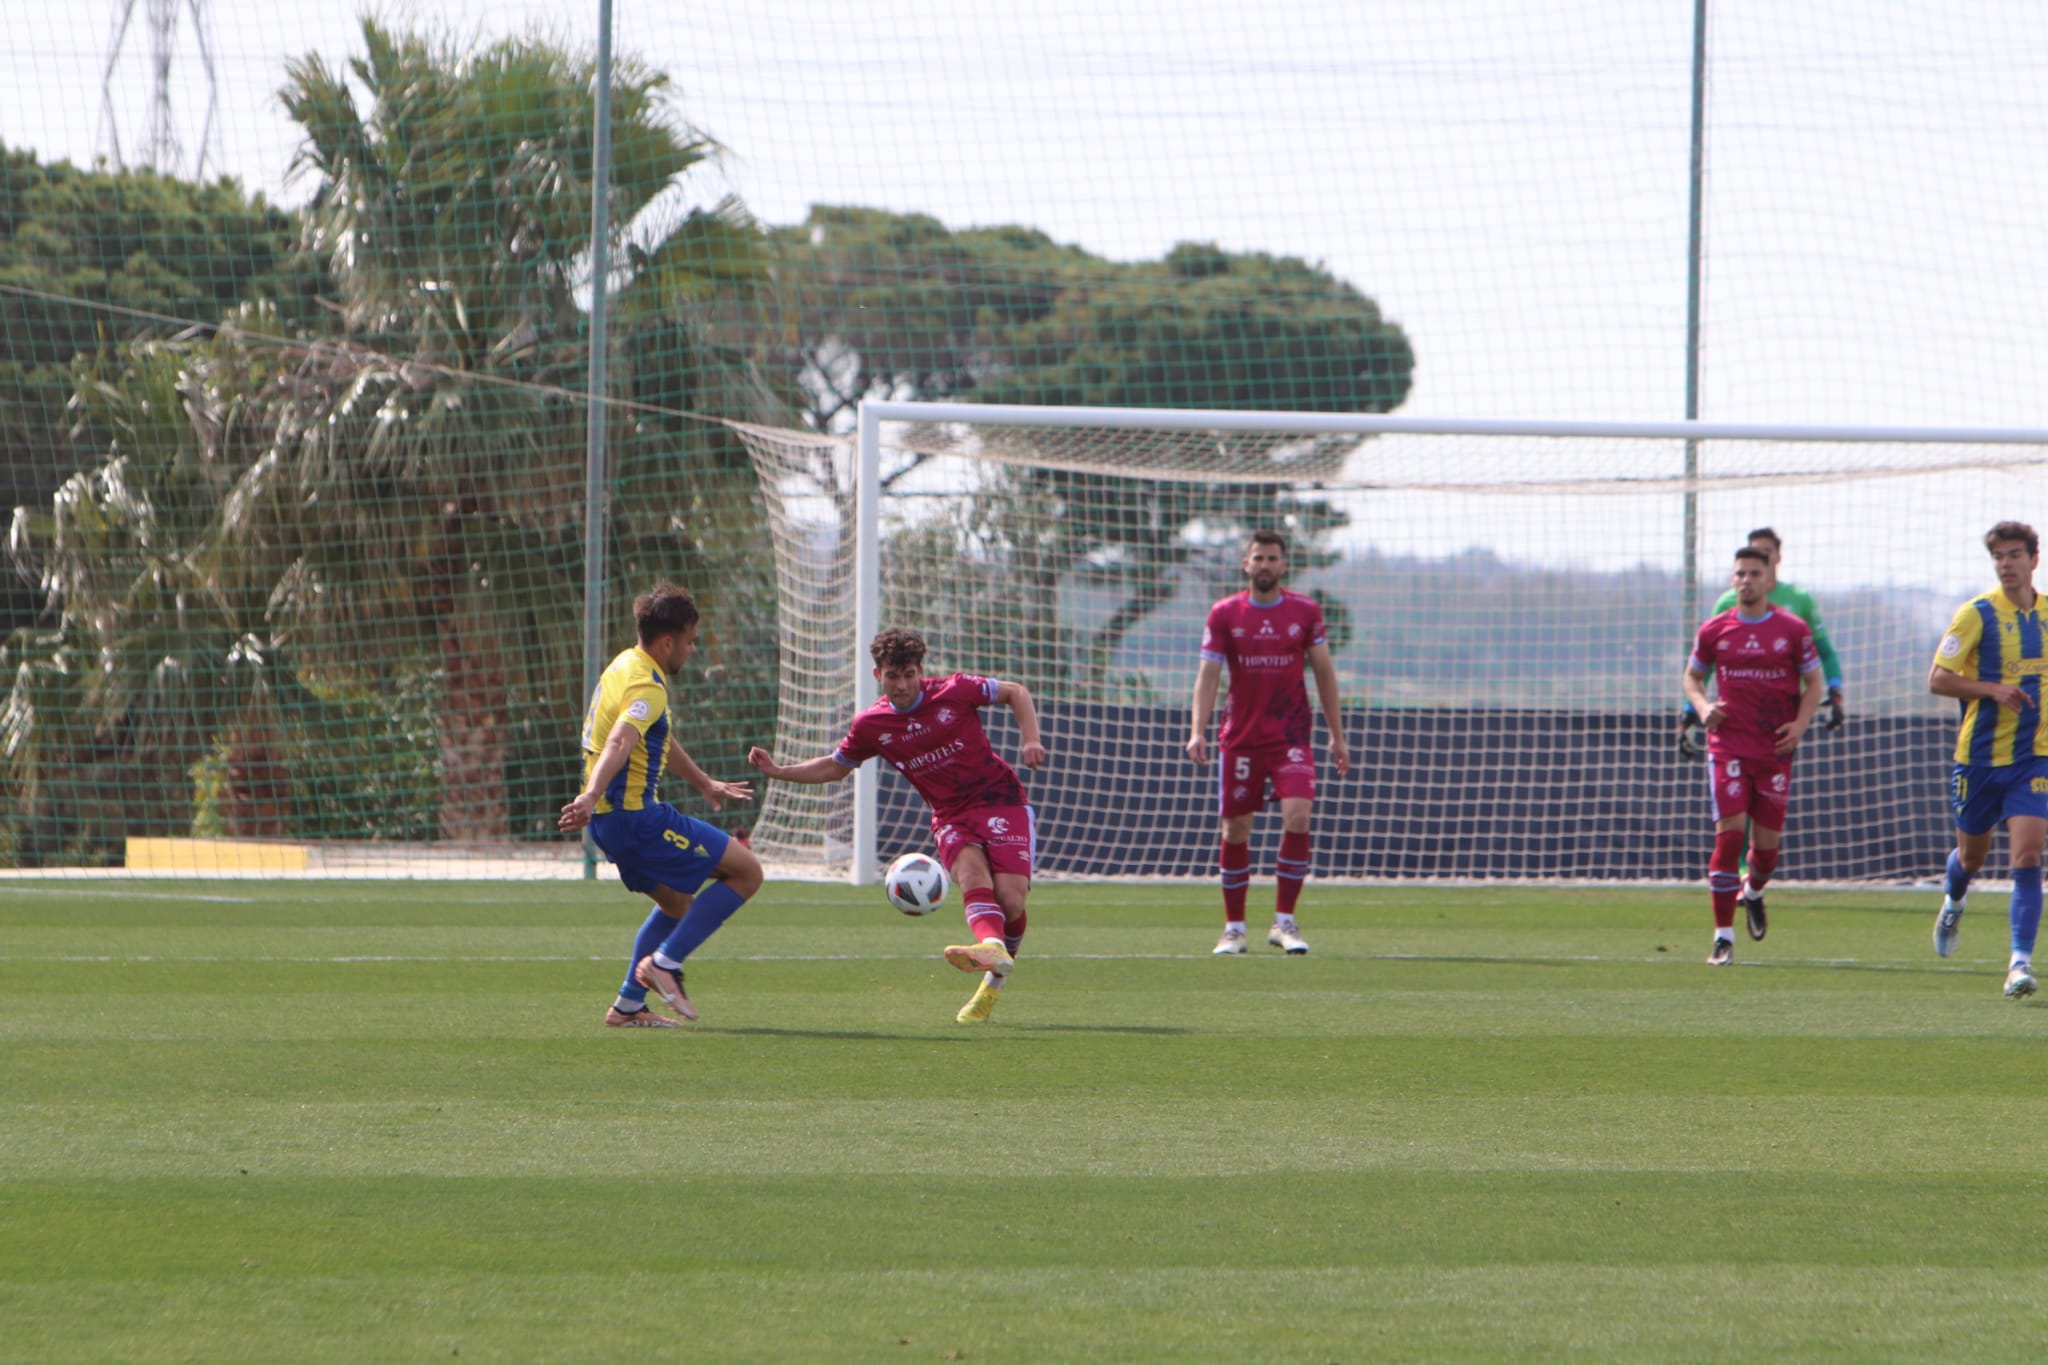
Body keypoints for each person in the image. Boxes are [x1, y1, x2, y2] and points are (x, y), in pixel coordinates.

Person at [747, 627, 1046, 1024]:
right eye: (892, 675)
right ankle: (990, 944)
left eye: (908, 674)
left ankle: (993, 984)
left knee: (1011, 901)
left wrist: (1030, 739)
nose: (901, 684)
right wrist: (779, 770)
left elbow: (1015, 692)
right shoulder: (872, 725)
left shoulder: (954, 691)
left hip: (1000, 799)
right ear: (878, 676)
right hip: (951, 814)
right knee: (971, 874)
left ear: (920, 671)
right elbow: (836, 767)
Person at [558, 583, 763, 1027]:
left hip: (612, 827)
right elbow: (620, 740)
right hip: (636, 820)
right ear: (668, 641)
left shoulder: (623, 665)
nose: (691, 650)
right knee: (747, 872)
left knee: (677, 905)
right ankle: (665, 963)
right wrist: (591, 794)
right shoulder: (649, 687)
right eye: (690, 641)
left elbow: (657, 737)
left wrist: (703, 781)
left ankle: (628, 1006)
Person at [1185, 530, 1350, 956]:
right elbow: (1209, 675)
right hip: (1240, 738)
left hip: (1291, 736)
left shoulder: (1305, 611)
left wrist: (1336, 734)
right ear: (1246, 564)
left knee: (1298, 816)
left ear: (1283, 565)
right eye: (1258, 558)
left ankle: (1284, 922)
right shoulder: (1225, 613)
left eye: (1272, 558)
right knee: (1236, 829)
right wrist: (1197, 730)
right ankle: (1234, 929)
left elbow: (1324, 673)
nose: (1265, 565)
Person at [1681, 545, 1825, 964]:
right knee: (1728, 835)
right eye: (1740, 573)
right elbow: (1692, 676)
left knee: (1766, 852)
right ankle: (1723, 937)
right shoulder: (1714, 630)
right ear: (1732, 579)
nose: (1746, 580)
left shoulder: (1793, 629)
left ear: (1768, 579)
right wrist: (1704, 708)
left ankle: (1755, 891)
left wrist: (1798, 726)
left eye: (1754, 574)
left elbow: (1813, 684)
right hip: (1728, 746)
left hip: (1774, 749)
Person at [1927, 521, 2048, 999]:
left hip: (2035, 759)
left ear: (2033, 560)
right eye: (1999, 556)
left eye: (2015, 554)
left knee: (2028, 855)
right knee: (1972, 858)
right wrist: (1993, 690)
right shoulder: (1976, 615)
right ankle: (1955, 896)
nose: (2006, 563)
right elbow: (1938, 679)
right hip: (1978, 760)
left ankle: (2019, 964)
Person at [1680, 526, 1846, 756]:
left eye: (1767, 551)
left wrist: (1835, 691)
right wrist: (1693, 708)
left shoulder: (1799, 601)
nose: (1762, 557)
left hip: (1781, 715)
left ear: (1777, 557)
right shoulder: (1728, 603)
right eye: (1756, 551)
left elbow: (1824, 652)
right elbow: (1704, 661)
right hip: (1736, 717)